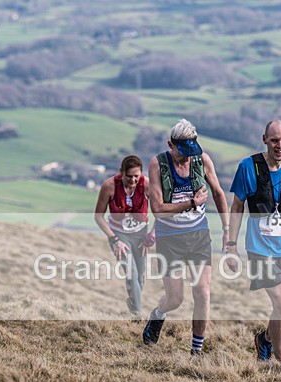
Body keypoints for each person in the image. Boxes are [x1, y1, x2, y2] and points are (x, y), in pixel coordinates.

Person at [225, 119, 281, 365]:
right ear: (264, 140)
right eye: (274, 140)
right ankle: (280, 362)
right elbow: (237, 206)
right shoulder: (248, 167)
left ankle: (265, 339)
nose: (280, 146)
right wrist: (231, 246)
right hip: (260, 250)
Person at [143, 119, 230, 355]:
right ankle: (158, 315)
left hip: (198, 235)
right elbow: (158, 209)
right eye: (181, 153)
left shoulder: (202, 160)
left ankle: (196, 351)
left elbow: (218, 193)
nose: (185, 158)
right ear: (170, 144)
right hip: (169, 237)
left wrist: (227, 230)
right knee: (175, 299)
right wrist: (191, 203)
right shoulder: (157, 164)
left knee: (203, 292)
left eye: (189, 152)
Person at [94, 155, 156, 318]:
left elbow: (161, 212)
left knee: (141, 277)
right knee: (131, 273)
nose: (134, 180)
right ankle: (137, 315)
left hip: (140, 234)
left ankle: (133, 303)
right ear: (121, 172)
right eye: (129, 176)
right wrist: (114, 240)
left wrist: (152, 234)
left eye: (137, 176)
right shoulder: (109, 186)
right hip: (119, 234)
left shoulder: (147, 185)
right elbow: (98, 217)